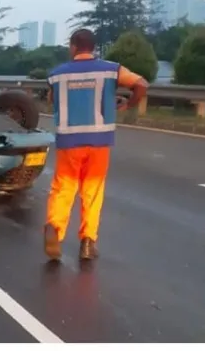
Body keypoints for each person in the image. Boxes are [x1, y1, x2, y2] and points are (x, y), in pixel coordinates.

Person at [44, 28, 148, 261]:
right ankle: (88, 243)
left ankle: (55, 230)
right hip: (100, 141)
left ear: (73, 47)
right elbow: (142, 84)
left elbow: (51, 100)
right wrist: (128, 104)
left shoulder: (57, 74)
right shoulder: (112, 69)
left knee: (64, 188)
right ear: (93, 48)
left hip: (69, 141)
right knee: (92, 191)